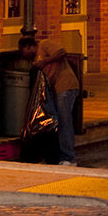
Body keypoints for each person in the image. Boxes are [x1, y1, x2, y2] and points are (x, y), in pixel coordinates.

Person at [33, 38, 80, 166]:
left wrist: (45, 61)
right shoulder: (37, 58)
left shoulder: (44, 44)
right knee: (58, 121)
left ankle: (69, 157)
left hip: (65, 86)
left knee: (65, 121)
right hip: (56, 89)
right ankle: (60, 155)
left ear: (29, 46)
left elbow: (61, 52)